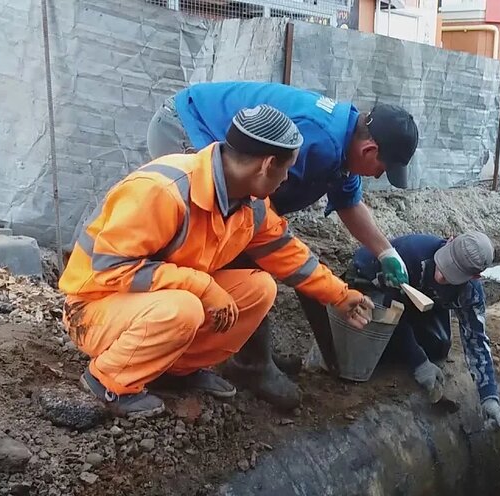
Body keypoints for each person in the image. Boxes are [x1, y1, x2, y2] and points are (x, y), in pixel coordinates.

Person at [59, 105, 374, 418]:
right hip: (92, 308)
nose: (286, 179)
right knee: (185, 308)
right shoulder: (164, 191)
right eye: (286, 169)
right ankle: (108, 380)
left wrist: (340, 296)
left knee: (259, 289)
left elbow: (287, 253)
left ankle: (174, 370)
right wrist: (203, 285)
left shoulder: (251, 202)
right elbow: (112, 267)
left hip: (150, 303)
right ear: (266, 165)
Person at [145, 81, 419, 409]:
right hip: (188, 125)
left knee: (255, 242)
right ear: (369, 151)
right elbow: (259, 224)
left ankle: (244, 349)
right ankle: (243, 363)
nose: (377, 177)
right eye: (382, 170)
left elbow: (348, 203)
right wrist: (320, 281)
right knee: (232, 240)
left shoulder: (343, 143)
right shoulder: (320, 140)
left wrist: (385, 251)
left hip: (204, 123)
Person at [337, 232, 500, 431]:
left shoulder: (470, 292)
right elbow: (390, 310)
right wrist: (419, 362)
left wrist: (489, 396)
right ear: (450, 240)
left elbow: (476, 340)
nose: (441, 275)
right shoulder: (412, 253)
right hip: (369, 284)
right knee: (374, 339)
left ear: (475, 276)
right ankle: (391, 352)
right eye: (445, 264)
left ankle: (398, 350)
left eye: (453, 273)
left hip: (414, 299)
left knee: (439, 345)